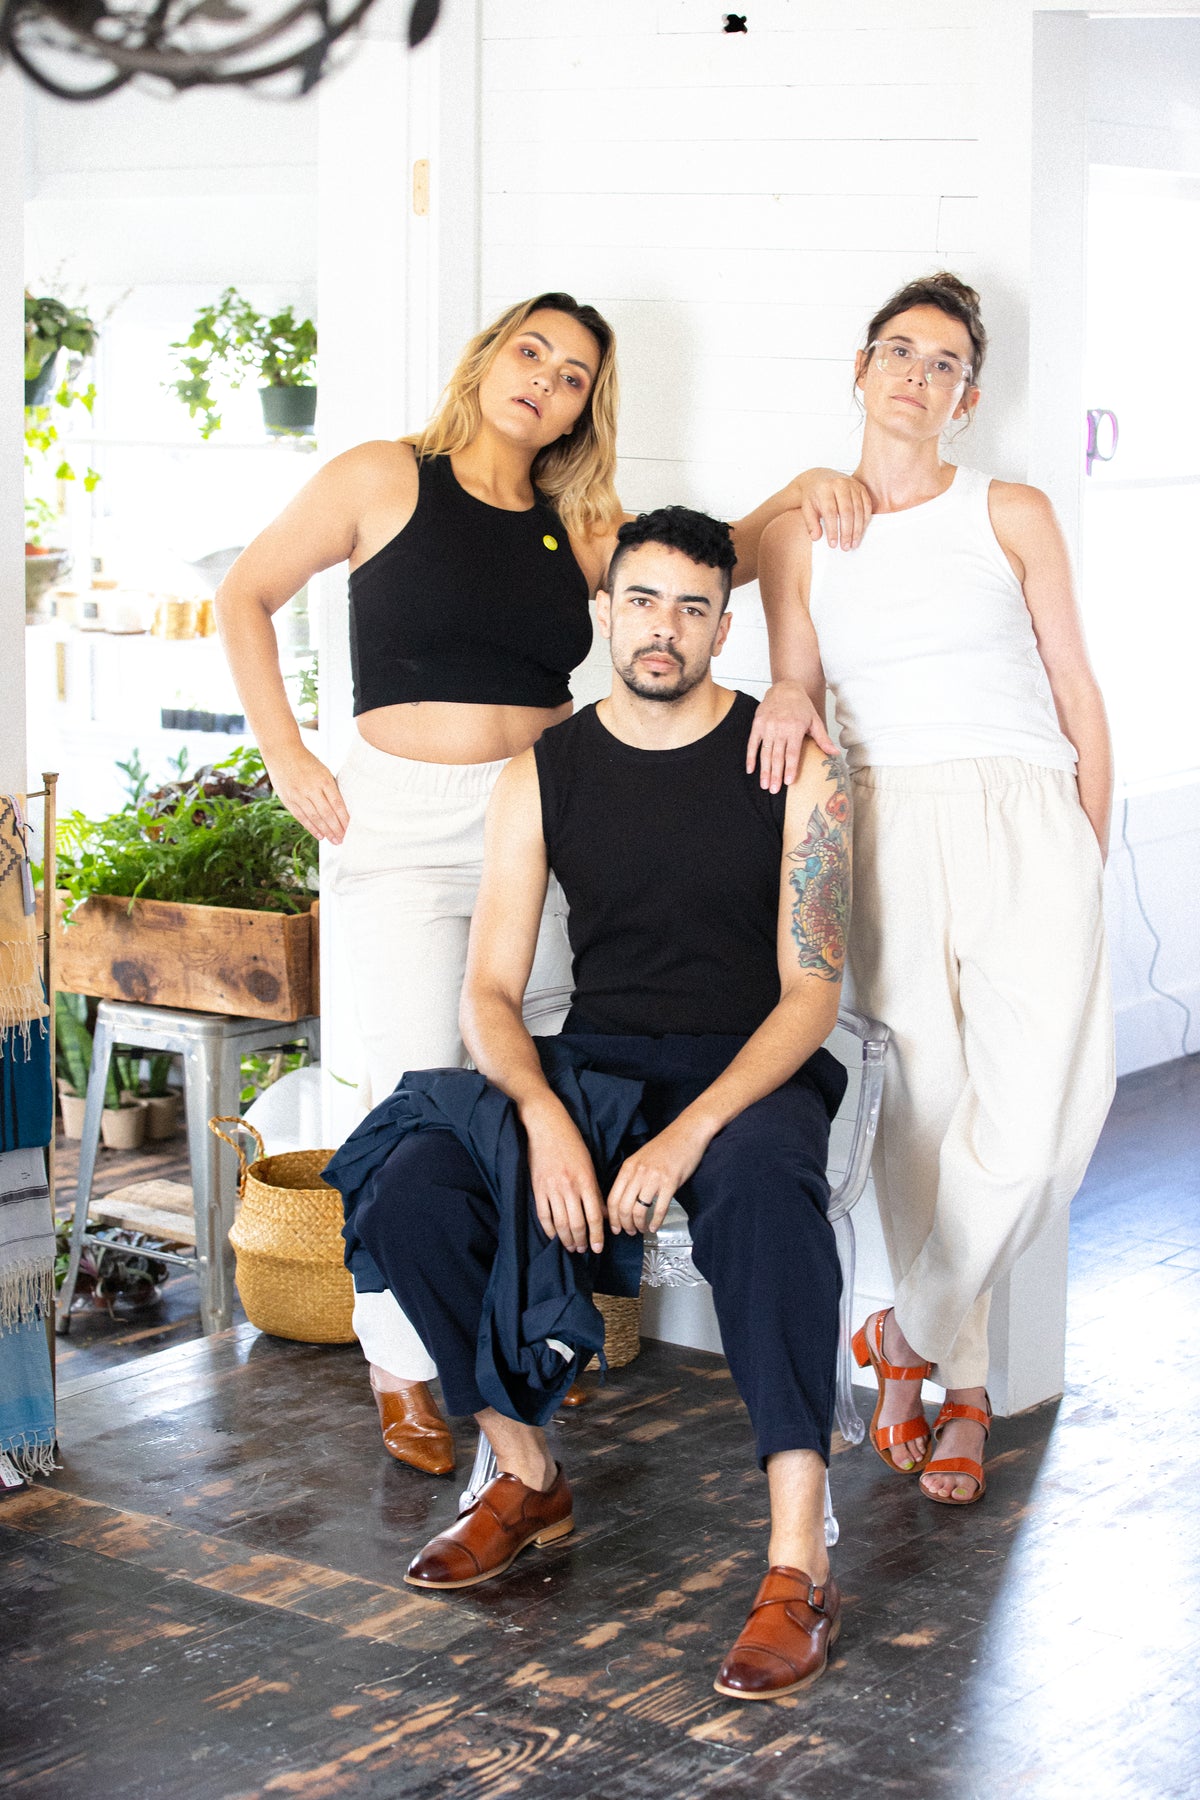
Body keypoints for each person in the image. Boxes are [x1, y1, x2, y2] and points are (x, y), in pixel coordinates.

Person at [215, 292, 866, 1476]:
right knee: (419, 1082)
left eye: (574, 376)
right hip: (405, 820)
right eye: (534, 353)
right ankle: (403, 1366)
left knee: (552, 1080)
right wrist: (288, 752)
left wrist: (805, 494)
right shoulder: (380, 475)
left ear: (584, 406)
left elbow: (695, 566)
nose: (547, 383)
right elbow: (243, 593)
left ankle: (538, 1348)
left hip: (547, 803)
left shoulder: (582, 518)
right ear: (488, 356)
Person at [330, 506, 855, 1699]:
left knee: (768, 1199)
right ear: (603, 610)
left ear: (728, 621)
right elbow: (493, 993)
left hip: (745, 1066)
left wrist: (689, 1134)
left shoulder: (795, 763)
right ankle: (523, 1473)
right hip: (597, 1064)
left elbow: (811, 995)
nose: (663, 628)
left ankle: (796, 1562)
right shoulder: (543, 770)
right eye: (642, 600)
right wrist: (548, 1117)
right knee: (409, 1180)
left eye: (693, 605)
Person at [758, 272, 1115, 1504]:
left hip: (1026, 812)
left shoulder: (1008, 510)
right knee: (926, 1116)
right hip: (886, 819)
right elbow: (778, 655)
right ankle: (949, 1385)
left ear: (967, 396)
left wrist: (1088, 849)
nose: (918, 375)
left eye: (945, 362)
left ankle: (901, 1334)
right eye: (898, 352)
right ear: (860, 372)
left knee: (1039, 1124)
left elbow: (1077, 690)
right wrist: (788, 687)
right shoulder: (805, 530)